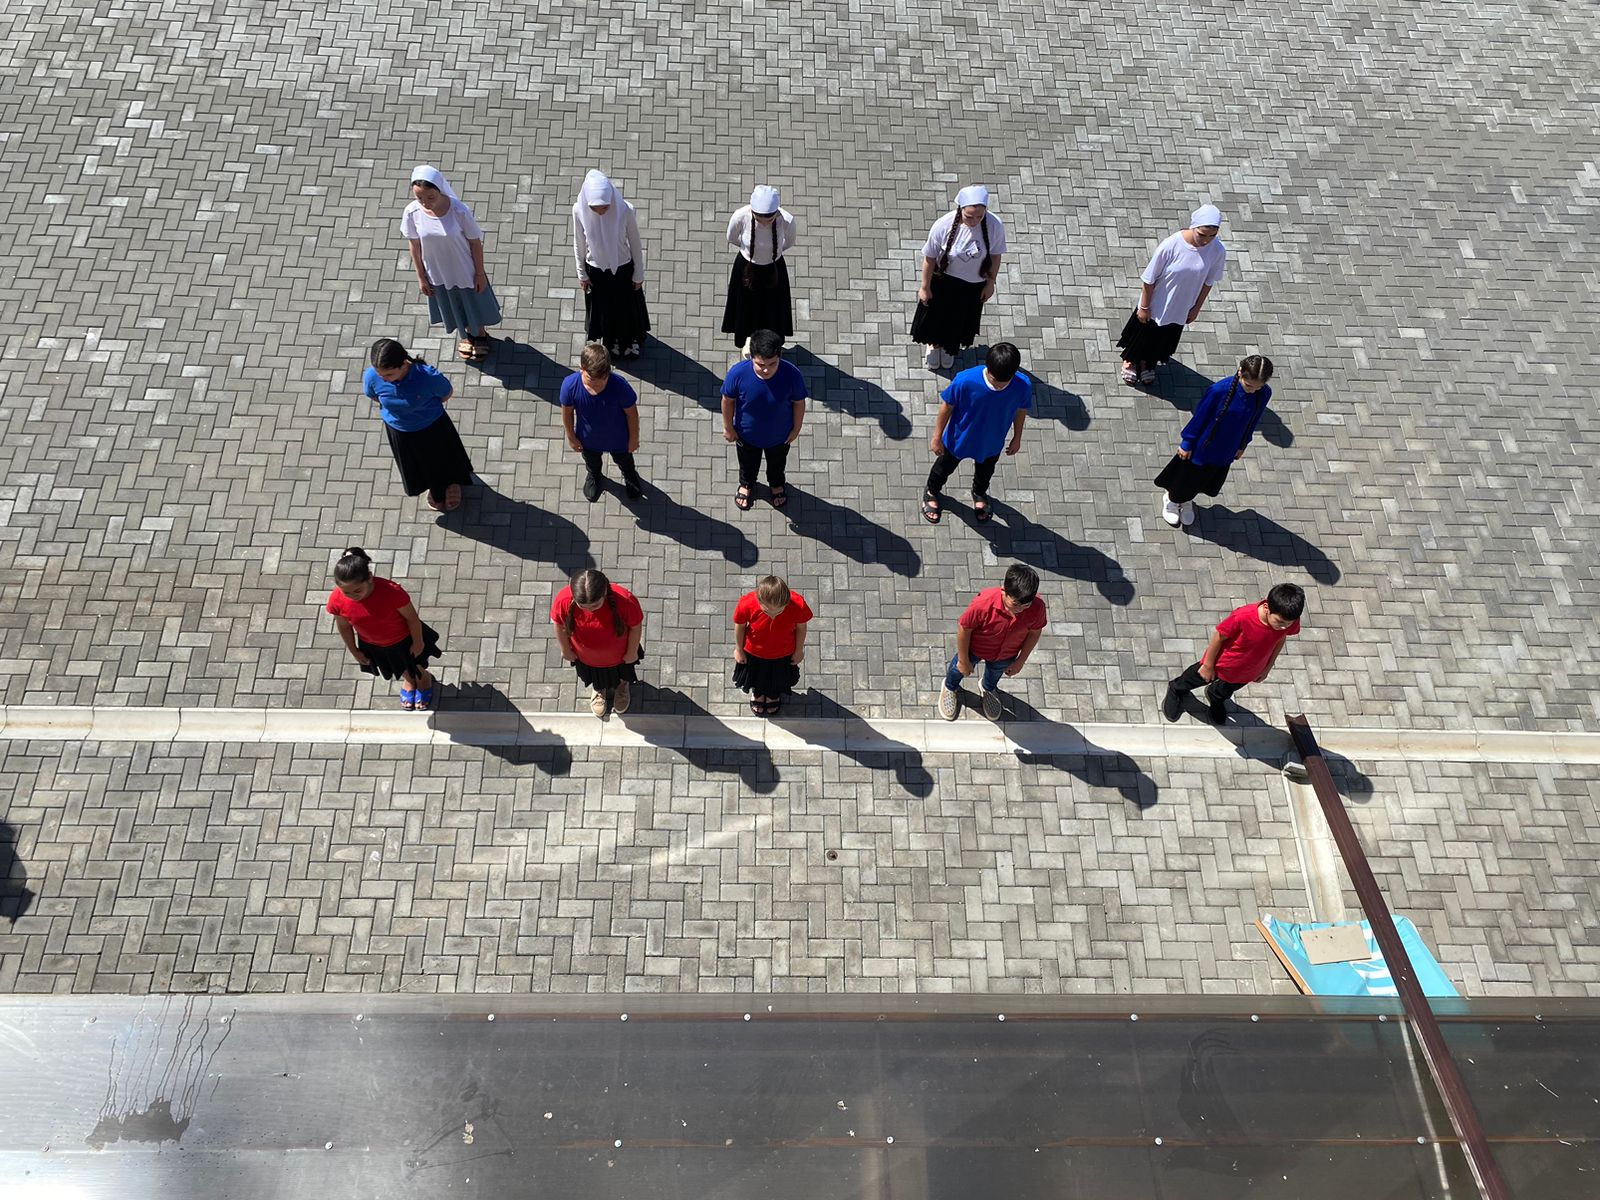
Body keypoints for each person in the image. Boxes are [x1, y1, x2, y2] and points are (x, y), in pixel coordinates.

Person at [1155, 354, 1275, 528]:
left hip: (1227, 448)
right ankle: (1172, 500)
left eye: (1258, 387)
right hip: (1204, 446)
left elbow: (1253, 421)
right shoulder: (1219, 391)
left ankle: (1186, 499)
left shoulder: (1264, 394)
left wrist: (1243, 444)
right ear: (1240, 372)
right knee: (1187, 476)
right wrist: (1187, 442)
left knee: (1204, 479)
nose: (1252, 391)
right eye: (1249, 385)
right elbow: (1200, 417)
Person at [1161, 583, 1304, 725]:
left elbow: (1281, 638)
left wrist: (1267, 667)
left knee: (1226, 690)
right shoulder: (1242, 617)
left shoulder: (1289, 619)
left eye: (1288, 624)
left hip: (1249, 671)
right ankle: (1176, 689)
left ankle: (1215, 695)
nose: (1284, 627)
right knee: (1195, 678)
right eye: (1280, 622)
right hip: (1222, 664)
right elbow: (1218, 637)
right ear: (1267, 607)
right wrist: (1208, 665)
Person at [1117, 203, 1227, 386]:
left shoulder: (1218, 251)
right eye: (1202, 234)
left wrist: (1196, 309)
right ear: (1193, 226)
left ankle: (1147, 362)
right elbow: (1149, 279)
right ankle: (1131, 360)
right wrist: (1144, 307)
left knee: (1161, 339)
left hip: (1181, 308)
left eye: (1212, 236)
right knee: (1142, 335)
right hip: (1156, 304)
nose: (1206, 240)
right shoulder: (1171, 245)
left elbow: (1208, 282)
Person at [921, 342, 1031, 525]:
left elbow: (1021, 410)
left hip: (992, 442)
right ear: (987, 368)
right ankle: (931, 491)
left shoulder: (1023, 385)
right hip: (959, 439)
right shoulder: (965, 380)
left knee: (985, 473)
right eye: (995, 380)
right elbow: (947, 406)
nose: (998, 386)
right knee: (943, 468)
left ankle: (979, 493)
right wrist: (936, 437)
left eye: (1004, 382)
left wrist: (1017, 437)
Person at [401, 166, 502, 362]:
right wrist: (421, 276)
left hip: (464, 269)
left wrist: (479, 273)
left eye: (430, 197)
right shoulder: (412, 212)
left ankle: (479, 333)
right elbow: (414, 245)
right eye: (419, 198)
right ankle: (467, 334)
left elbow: (475, 243)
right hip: (437, 272)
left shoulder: (459, 211)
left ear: (439, 190)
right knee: (453, 304)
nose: (425, 202)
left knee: (472, 302)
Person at [363, 337, 474, 512]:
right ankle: (434, 488)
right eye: (380, 375)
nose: (384, 379)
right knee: (419, 465)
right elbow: (373, 395)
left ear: (403, 364)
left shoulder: (428, 377)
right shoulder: (372, 376)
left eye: (389, 375)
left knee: (445, 459)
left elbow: (446, 394)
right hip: (400, 432)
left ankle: (452, 484)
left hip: (433, 427)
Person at [325, 547, 443, 711]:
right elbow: (344, 627)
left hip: (404, 640)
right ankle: (409, 679)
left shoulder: (392, 592)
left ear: (369, 577)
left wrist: (418, 642)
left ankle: (424, 679)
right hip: (372, 645)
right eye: (347, 592)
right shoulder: (336, 600)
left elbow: (412, 619)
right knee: (396, 666)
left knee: (415, 664)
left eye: (357, 590)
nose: (353, 596)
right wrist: (354, 650)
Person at [910, 185, 1006, 370]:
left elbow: (996, 255)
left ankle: (948, 346)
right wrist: (925, 287)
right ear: (960, 209)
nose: (974, 221)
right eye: (969, 216)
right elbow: (930, 258)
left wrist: (990, 283)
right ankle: (934, 345)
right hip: (943, 282)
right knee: (936, 318)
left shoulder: (995, 225)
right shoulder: (943, 225)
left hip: (973, 286)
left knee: (958, 321)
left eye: (979, 217)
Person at [939, 564, 1046, 721]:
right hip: (974, 649)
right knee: (957, 670)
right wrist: (963, 660)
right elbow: (964, 628)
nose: (1021, 610)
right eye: (1016, 604)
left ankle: (988, 688)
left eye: (1026, 605)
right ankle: (949, 686)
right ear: (1003, 590)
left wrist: (1020, 661)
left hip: (1006, 655)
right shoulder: (983, 603)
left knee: (995, 674)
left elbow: (1035, 632)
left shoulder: (1038, 607)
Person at [721, 328, 808, 511]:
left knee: (777, 464)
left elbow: (799, 403)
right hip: (746, 435)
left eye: (772, 363)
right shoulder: (737, 374)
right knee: (747, 464)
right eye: (760, 364)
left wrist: (796, 429)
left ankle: (776, 485)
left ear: (780, 356)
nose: (767, 369)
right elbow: (727, 400)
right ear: (751, 356)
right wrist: (728, 428)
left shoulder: (792, 374)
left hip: (780, 436)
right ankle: (746, 484)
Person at [572, 170, 649, 359]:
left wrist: (638, 274)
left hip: (622, 268)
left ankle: (630, 340)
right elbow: (579, 242)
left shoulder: (625, 210)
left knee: (626, 308)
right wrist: (582, 274)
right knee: (605, 310)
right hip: (596, 271)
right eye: (595, 208)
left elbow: (635, 243)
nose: (600, 212)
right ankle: (611, 340)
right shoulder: (579, 210)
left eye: (605, 207)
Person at [550, 567, 645, 718]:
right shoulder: (563, 600)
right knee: (596, 677)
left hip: (620, 656)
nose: (590, 611)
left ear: (604, 593)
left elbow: (635, 627)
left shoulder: (625, 600)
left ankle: (622, 686)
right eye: (583, 606)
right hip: (586, 658)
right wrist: (565, 650)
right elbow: (559, 624)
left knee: (623, 674)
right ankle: (599, 688)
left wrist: (631, 652)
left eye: (595, 605)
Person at [561, 342, 645, 503]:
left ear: (609, 372)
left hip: (619, 439)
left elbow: (632, 415)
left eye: (603, 379)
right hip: (588, 439)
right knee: (591, 461)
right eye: (591, 379)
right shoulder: (570, 386)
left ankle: (629, 475)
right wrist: (571, 437)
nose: (597, 384)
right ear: (582, 368)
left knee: (625, 461)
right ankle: (594, 475)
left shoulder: (620, 386)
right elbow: (567, 412)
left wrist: (634, 439)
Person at [722, 185, 796, 354]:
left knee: (773, 309)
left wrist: (773, 254)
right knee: (746, 307)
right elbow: (731, 237)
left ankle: (772, 345)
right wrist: (750, 252)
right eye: (759, 218)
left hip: (774, 269)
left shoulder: (787, 220)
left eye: (769, 219)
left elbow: (789, 242)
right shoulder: (740, 216)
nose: (764, 222)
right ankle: (749, 342)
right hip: (746, 269)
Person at [732, 575, 813, 717]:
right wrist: (739, 649)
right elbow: (740, 626)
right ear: (759, 600)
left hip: (784, 653)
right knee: (756, 676)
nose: (773, 616)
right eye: (766, 611)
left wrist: (799, 650)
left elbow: (801, 628)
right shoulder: (747, 603)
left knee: (778, 678)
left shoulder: (798, 605)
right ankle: (758, 693)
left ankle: (773, 694)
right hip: (753, 652)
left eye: (780, 611)